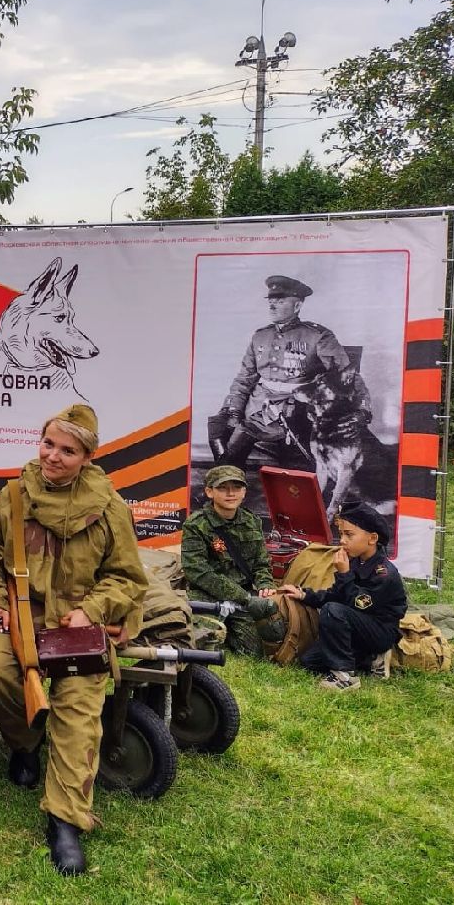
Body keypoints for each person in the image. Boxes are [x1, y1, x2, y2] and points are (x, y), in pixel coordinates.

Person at [0, 404, 147, 877]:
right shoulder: (14, 494)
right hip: (22, 619)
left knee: (77, 708)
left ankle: (65, 819)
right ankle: (26, 743)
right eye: (49, 444)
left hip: (78, 626)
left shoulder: (109, 508)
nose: (53, 456)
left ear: (88, 457)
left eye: (67, 451)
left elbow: (128, 578)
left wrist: (90, 611)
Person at [216, 276, 362, 468]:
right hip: (257, 406)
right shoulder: (260, 336)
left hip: (296, 410)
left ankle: (232, 480)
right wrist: (234, 409)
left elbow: (346, 376)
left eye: (280, 301)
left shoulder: (317, 336)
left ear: (297, 306)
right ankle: (229, 484)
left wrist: (361, 408)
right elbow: (245, 378)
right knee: (219, 432)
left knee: (256, 439)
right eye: (271, 301)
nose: (272, 307)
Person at [280, 502, 406, 691]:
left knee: (333, 611)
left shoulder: (384, 572)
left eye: (349, 535)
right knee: (309, 661)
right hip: (356, 628)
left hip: (379, 630)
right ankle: (372, 658)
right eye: (341, 534)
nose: (342, 540)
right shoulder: (356, 561)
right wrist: (304, 594)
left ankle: (345, 676)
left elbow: (360, 604)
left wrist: (345, 574)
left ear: (372, 538)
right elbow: (335, 594)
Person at [180, 464, 281, 654]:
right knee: (203, 644)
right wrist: (243, 598)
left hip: (243, 598)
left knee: (253, 652)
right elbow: (198, 572)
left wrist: (265, 583)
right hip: (206, 596)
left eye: (236, 487)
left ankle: (229, 634)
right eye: (222, 488)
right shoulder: (195, 525)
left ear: (244, 492)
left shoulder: (252, 521)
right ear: (209, 492)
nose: (230, 493)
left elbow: (261, 561)